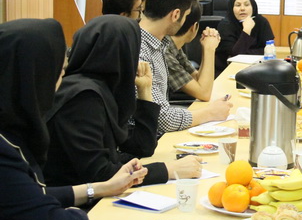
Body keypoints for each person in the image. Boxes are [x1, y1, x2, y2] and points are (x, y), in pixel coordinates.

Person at [0, 19, 146, 220]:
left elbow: (32, 193)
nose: (59, 83)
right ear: (33, 78)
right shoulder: (5, 147)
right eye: (58, 73)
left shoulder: (11, 131)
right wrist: (79, 213)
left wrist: (99, 189)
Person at [45, 15, 206, 187]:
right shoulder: (83, 98)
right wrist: (167, 170)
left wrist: (145, 91)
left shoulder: (106, 88)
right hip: (78, 203)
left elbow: (142, 147)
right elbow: (100, 174)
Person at [140, 0, 232, 135]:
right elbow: (162, 119)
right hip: (140, 148)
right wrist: (210, 113)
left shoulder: (160, 43)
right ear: (176, 15)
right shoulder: (140, 49)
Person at [165, 1, 220, 101]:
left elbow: (197, 78)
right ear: (194, 27)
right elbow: (204, 94)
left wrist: (205, 48)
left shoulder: (174, 46)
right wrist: (209, 50)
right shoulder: (165, 51)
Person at [215, 0, 275, 75]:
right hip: (227, 70)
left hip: (257, 69)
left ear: (253, 7)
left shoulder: (261, 22)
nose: (242, 8)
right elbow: (235, 56)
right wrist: (247, 30)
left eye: (247, 5)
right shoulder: (225, 25)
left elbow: (268, 50)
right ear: (231, 8)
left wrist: (246, 53)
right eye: (238, 5)